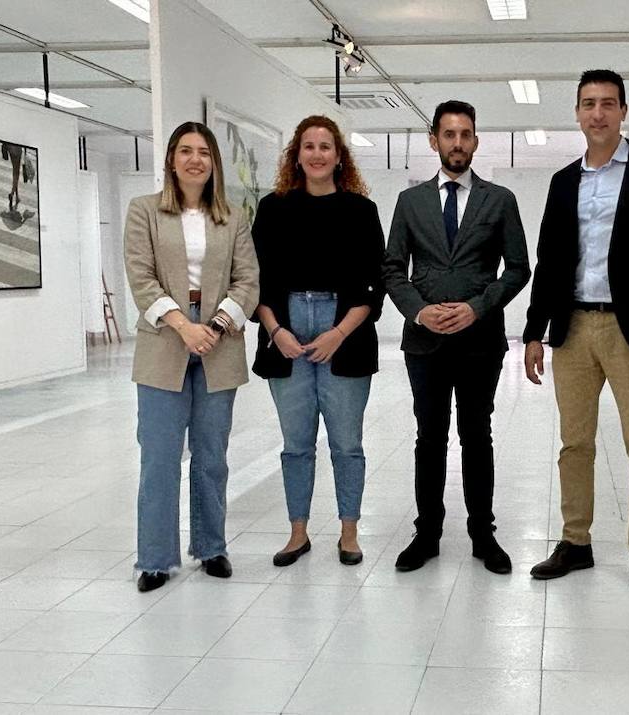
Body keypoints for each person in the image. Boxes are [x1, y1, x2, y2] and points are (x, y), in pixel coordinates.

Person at [523, 69, 629, 595]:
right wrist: (533, 331)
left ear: (623, 111)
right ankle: (575, 542)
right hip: (573, 327)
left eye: (607, 103)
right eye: (588, 104)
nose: (597, 113)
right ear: (577, 113)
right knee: (574, 443)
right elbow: (549, 260)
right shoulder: (562, 181)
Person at [382, 100, 531, 574]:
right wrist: (420, 311)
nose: (458, 143)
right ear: (434, 141)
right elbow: (392, 269)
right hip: (424, 343)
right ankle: (427, 534)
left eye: (466, 134)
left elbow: (518, 269)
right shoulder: (411, 202)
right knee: (429, 437)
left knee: (477, 435)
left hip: (479, 341)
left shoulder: (499, 200)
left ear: (476, 141)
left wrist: (477, 307)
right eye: (449, 134)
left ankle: (482, 534)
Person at [123, 121, 259, 593]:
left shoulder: (233, 217)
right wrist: (184, 325)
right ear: (171, 159)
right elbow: (141, 277)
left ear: (214, 162)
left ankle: (211, 547)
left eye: (203, 152)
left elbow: (248, 280)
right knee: (159, 457)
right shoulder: (144, 211)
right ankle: (155, 558)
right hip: (165, 338)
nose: (195, 159)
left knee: (212, 456)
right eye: (185, 151)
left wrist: (214, 326)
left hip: (219, 340)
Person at [251, 115, 385, 567]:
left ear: (339, 156)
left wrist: (339, 333)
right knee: (296, 444)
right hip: (285, 330)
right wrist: (276, 331)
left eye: (325, 146)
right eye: (308, 146)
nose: (317, 154)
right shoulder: (272, 209)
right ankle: (298, 533)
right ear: (296, 155)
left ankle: (349, 532)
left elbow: (374, 285)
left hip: (344, 331)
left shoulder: (361, 211)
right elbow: (254, 281)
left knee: (346, 443)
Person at [1, 142, 24, 214]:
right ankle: (12, 193)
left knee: (14, 171)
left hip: (10, 148)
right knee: (17, 172)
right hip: (17, 149)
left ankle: (17, 196)